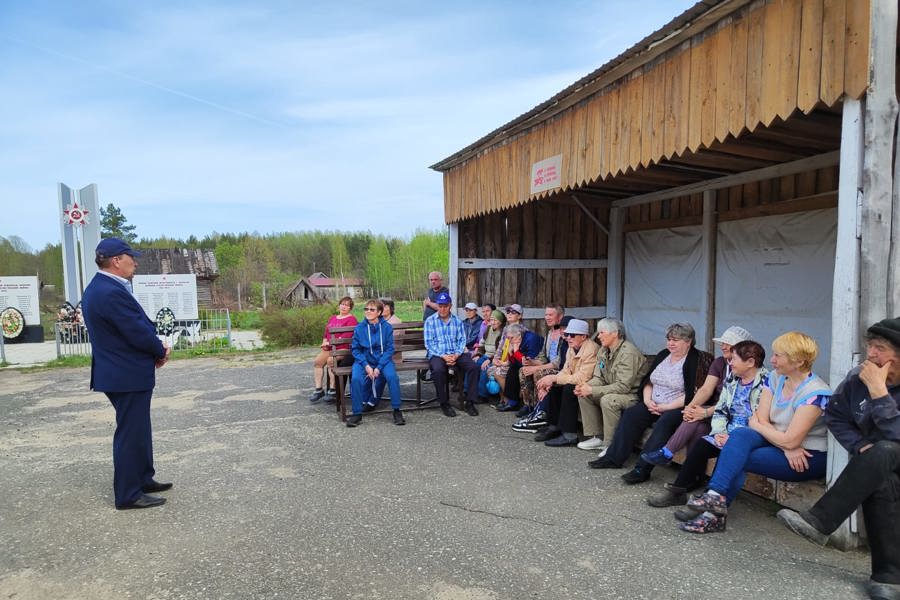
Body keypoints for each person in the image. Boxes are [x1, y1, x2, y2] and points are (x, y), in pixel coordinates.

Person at [776, 318, 900, 600]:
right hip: (880, 463)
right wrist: (860, 445)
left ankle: (821, 522)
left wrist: (879, 394)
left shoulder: (873, 383)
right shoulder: (858, 378)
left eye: (879, 348)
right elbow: (836, 415)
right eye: (870, 346)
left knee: (887, 450)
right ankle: (888, 578)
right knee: (881, 474)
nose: (871, 355)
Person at [679, 331, 831, 534]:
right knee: (741, 434)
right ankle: (714, 498)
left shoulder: (816, 393)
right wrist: (783, 443)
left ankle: (713, 509)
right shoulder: (776, 378)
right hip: (781, 444)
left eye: (778, 355)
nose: (772, 359)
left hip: (807, 456)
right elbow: (757, 419)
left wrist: (786, 441)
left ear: (798, 361)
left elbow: (790, 438)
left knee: (738, 455)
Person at [80, 238, 172, 510]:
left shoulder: (102, 288)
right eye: (131, 256)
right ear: (116, 260)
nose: (135, 261)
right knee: (131, 433)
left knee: (138, 429)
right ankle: (128, 494)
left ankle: (143, 479)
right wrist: (159, 350)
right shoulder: (109, 291)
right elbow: (135, 331)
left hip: (122, 371)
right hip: (125, 373)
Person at [645, 340, 767, 508]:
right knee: (701, 445)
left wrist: (731, 438)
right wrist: (718, 432)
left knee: (727, 454)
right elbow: (721, 410)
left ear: (750, 362)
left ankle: (711, 500)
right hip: (726, 431)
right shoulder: (732, 378)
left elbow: (762, 418)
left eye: (734, 359)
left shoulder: (767, 383)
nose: (729, 363)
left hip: (748, 436)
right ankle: (677, 492)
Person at [589, 323, 713, 482]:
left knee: (665, 422)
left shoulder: (695, 359)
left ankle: (642, 469)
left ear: (688, 341)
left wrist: (666, 407)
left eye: (675, 340)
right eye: (668, 339)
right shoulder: (663, 355)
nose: (670, 343)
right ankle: (613, 458)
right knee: (632, 414)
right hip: (653, 403)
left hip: (678, 407)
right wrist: (648, 401)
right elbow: (648, 382)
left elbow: (693, 393)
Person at [640, 325, 753, 466]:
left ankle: (668, 454)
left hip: (731, 415)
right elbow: (705, 389)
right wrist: (691, 407)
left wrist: (704, 412)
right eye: (722, 343)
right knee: (695, 422)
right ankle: (686, 475)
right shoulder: (720, 362)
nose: (723, 346)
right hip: (715, 410)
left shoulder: (747, 371)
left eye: (727, 343)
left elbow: (732, 403)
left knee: (694, 423)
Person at [574, 318, 648, 452]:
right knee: (584, 394)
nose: (599, 336)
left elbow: (623, 386)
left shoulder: (628, 352)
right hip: (613, 390)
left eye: (602, 332)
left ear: (615, 333)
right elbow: (599, 377)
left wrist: (592, 390)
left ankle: (610, 445)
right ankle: (598, 437)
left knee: (608, 400)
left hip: (631, 395)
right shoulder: (603, 350)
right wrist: (585, 386)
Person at [533, 319, 600, 446]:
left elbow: (583, 377)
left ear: (584, 336)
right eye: (567, 334)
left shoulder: (592, 350)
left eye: (572, 335)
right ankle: (554, 426)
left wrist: (554, 378)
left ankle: (570, 435)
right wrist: (553, 380)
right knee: (555, 386)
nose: (568, 337)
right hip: (576, 380)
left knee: (569, 389)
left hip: (590, 383)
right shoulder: (572, 347)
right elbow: (566, 370)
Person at [346, 299, 405, 428]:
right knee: (356, 378)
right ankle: (357, 413)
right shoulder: (359, 328)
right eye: (366, 309)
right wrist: (366, 366)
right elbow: (355, 350)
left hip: (382, 360)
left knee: (392, 377)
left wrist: (378, 367)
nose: (368, 312)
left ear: (379, 312)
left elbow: (390, 349)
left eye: (372, 310)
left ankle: (397, 410)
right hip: (364, 361)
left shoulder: (387, 327)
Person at [424, 291, 481, 417]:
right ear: (437, 306)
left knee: (473, 367)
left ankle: (470, 402)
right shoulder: (430, 321)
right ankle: (444, 403)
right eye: (440, 306)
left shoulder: (457, 321)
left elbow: (462, 340)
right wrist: (443, 356)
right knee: (438, 370)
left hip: (456, 353)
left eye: (445, 306)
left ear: (450, 305)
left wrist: (456, 354)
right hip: (438, 354)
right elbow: (429, 344)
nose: (443, 309)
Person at [518, 304, 566, 416]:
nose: (547, 317)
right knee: (523, 370)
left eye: (551, 314)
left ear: (560, 316)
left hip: (561, 369)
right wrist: (531, 362)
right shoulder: (549, 333)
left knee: (538, 373)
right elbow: (543, 356)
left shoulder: (564, 335)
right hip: (548, 366)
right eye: (546, 314)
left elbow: (558, 363)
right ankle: (529, 405)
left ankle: (542, 409)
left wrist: (536, 368)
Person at [309, 296, 358, 403]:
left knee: (331, 361)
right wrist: (324, 341)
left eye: (347, 305)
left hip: (343, 348)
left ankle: (333, 390)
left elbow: (346, 336)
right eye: (342, 304)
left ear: (350, 308)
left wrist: (330, 342)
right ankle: (318, 390)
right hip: (329, 347)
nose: (344, 307)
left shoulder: (352, 319)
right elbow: (326, 333)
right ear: (339, 305)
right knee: (318, 362)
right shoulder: (333, 318)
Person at [474, 309, 506, 400]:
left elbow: (501, 351)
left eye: (496, 320)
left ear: (500, 322)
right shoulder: (488, 329)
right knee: (473, 366)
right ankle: (468, 391)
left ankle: (482, 395)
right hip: (485, 355)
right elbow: (482, 343)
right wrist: (478, 354)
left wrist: (490, 360)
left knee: (485, 369)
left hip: (495, 358)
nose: (493, 322)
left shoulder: (503, 332)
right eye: (492, 319)